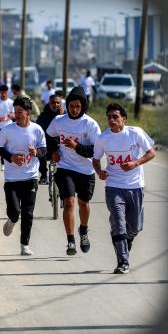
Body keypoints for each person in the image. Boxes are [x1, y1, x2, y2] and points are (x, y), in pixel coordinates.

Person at [92, 103, 156, 274]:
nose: (111, 120)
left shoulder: (135, 133)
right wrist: (100, 172)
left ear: (124, 119)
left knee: (135, 227)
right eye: (109, 117)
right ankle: (123, 261)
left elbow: (151, 152)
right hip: (114, 186)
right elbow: (96, 159)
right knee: (119, 224)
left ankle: (126, 241)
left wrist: (135, 163)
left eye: (115, 117)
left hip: (135, 186)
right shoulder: (103, 138)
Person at [46, 86, 101, 255]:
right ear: (67, 105)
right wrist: (54, 151)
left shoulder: (90, 124)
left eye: (78, 106)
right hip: (65, 167)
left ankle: (83, 231)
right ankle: (70, 241)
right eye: (71, 106)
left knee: (84, 204)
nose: (74, 109)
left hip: (85, 170)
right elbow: (49, 136)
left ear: (83, 106)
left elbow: (96, 150)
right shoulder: (59, 121)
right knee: (69, 202)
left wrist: (77, 147)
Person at [0, 96, 47, 255]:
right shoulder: (8, 129)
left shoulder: (37, 129)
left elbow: (44, 150)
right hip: (12, 179)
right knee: (15, 212)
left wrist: (36, 152)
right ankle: (11, 220)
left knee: (28, 213)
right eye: (15, 111)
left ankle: (24, 244)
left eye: (20, 111)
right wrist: (11, 157)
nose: (16, 114)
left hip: (30, 177)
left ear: (28, 112)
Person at [35, 90, 65, 184]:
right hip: (47, 146)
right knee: (40, 150)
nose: (55, 105)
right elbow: (38, 131)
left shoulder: (67, 116)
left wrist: (62, 116)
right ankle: (44, 175)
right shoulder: (44, 115)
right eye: (53, 103)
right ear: (49, 103)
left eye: (58, 102)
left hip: (61, 145)